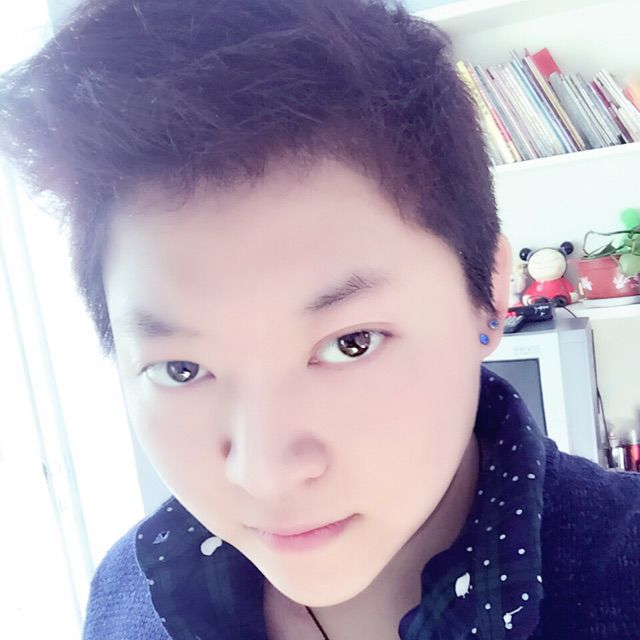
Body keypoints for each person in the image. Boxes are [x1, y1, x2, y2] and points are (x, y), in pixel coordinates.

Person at [0, 1, 638, 638]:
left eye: (352, 343)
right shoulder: (124, 597)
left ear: (490, 295)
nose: (264, 472)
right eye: (181, 369)